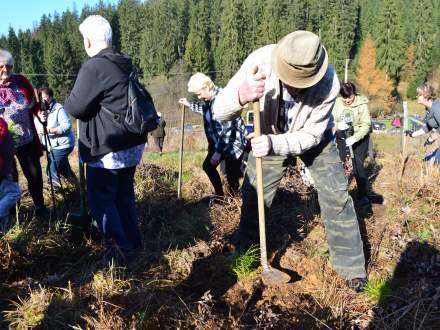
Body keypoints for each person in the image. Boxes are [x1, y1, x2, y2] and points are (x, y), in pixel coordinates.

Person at [213, 31, 367, 291]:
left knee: (336, 197)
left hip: (316, 141)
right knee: (255, 196)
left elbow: (311, 135)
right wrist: (241, 94)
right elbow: (219, 110)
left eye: (303, 81)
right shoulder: (260, 62)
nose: (296, 86)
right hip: (269, 135)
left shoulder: (329, 82)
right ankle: (247, 256)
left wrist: (275, 143)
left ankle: (351, 268)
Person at [65, 15, 146, 265]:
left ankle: (118, 253)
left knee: (102, 202)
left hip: (107, 149)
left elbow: (75, 106)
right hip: (130, 144)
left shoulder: (94, 66)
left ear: (88, 40)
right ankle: (134, 246)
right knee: (123, 197)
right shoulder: (123, 61)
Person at [179, 73, 247, 197]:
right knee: (208, 166)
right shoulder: (209, 100)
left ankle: (236, 204)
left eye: (199, 93)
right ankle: (220, 196)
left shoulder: (223, 98)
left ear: (206, 87)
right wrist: (189, 105)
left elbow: (228, 128)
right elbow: (206, 112)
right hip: (219, 144)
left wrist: (218, 152)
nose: (199, 97)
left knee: (232, 176)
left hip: (232, 143)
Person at [0, 49, 48, 218]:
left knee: (35, 175)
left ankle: (40, 207)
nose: (5, 70)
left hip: (26, 140)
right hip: (4, 146)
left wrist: (40, 112)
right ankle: (13, 214)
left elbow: (33, 103)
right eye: (1, 67)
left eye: (9, 67)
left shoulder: (20, 81)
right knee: (10, 180)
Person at [333, 81, 372, 206]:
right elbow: (330, 120)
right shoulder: (337, 103)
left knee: (358, 166)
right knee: (340, 164)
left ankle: (363, 196)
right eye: (344, 98)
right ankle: (339, 194)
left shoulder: (362, 104)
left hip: (359, 138)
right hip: (342, 137)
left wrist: (355, 138)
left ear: (354, 94)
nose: (347, 100)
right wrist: (337, 126)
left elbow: (366, 125)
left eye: (350, 97)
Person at [34, 87, 77, 188]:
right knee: (64, 168)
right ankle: (76, 187)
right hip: (50, 145)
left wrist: (49, 130)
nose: (42, 100)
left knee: (51, 170)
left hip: (63, 144)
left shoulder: (58, 108)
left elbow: (66, 126)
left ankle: (57, 192)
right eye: (41, 98)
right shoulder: (39, 110)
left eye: (44, 97)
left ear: (51, 97)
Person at [405, 83, 440, 164]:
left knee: (436, 163)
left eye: (419, 94)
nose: (417, 96)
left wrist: (432, 138)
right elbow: (428, 126)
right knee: (429, 161)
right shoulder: (429, 109)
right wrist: (413, 134)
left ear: (426, 96)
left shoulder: (437, 108)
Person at [0, 114, 21, 233]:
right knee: (14, 192)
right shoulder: (2, 125)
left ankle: (4, 230)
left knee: (3, 195)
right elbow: (7, 148)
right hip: (3, 169)